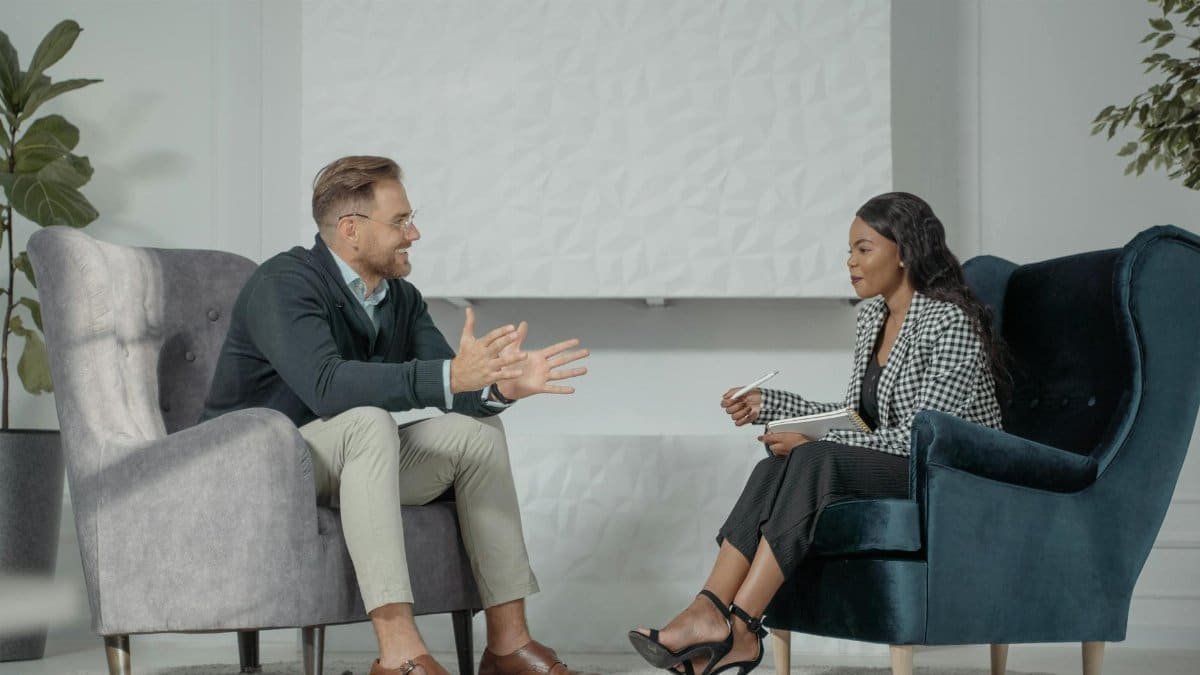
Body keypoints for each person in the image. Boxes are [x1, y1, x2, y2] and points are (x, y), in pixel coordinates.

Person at [202, 155, 593, 675]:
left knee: (476, 435)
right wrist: (450, 377)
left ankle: (506, 646)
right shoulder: (284, 282)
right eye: (400, 221)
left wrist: (500, 385)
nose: (415, 232)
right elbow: (327, 386)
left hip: (343, 461)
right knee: (367, 420)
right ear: (351, 230)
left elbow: (451, 381)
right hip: (257, 462)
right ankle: (399, 653)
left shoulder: (400, 299)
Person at [628, 192, 1006, 675]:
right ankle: (709, 611)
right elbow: (857, 419)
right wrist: (775, 405)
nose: (850, 262)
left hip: (947, 474)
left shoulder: (949, 321)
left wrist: (817, 445)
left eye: (863, 249)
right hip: (897, 460)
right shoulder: (874, 316)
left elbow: (927, 438)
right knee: (777, 464)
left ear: (905, 252)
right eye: (849, 250)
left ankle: (741, 627)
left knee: (812, 459)